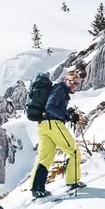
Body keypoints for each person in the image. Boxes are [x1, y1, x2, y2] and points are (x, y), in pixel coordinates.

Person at [30, 69, 86, 198]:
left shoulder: (59, 91)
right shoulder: (60, 89)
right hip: (53, 124)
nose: (74, 85)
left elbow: (53, 106)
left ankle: (36, 188)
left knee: (45, 157)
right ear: (66, 80)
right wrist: (67, 117)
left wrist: (68, 112)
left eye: (77, 83)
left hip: (43, 125)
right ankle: (73, 181)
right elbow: (50, 107)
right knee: (74, 152)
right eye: (72, 82)